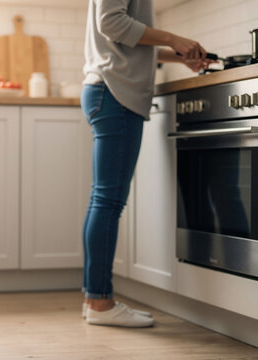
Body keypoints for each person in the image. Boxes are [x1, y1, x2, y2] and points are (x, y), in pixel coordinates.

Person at [80, 0, 215, 327]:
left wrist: (177, 55)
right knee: (107, 202)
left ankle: (95, 299)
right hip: (115, 93)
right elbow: (111, 23)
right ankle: (99, 303)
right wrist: (173, 38)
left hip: (108, 91)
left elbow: (125, 42)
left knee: (104, 201)